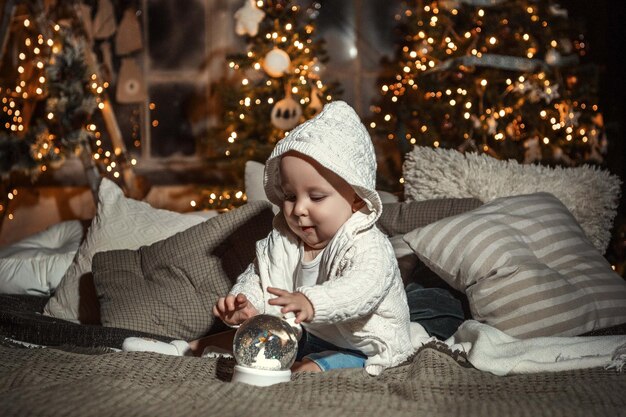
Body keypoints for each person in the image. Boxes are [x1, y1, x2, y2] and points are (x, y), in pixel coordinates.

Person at [124, 101, 429, 375]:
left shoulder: (368, 244)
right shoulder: (283, 237)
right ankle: (185, 349)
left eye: (316, 196)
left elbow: (363, 288)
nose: (298, 209)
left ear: (357, 200)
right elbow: (260, 276)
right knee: (245, 335)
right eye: (290, 195)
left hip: (362, 345)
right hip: (307, 332)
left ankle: (293, 371)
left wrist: (311, 301)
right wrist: (247, 304)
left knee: (307, 368)